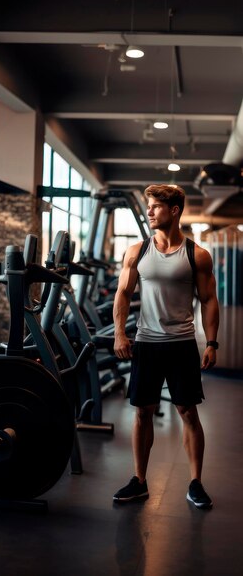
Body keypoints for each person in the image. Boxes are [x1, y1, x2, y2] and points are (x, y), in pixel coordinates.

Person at [112, 184, 219, 509]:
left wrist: (212, 342)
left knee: (187, 412)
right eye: (149, 206)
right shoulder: (137, 251)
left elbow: (209, 299)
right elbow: (123, 294)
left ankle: (196, 482)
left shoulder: (196, 255)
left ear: (174, 211)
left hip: (182, 344)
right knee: (142, 413)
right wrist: (119, 333)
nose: (150, 211)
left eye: (156, 206)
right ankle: (140, 480)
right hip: (146, 344)